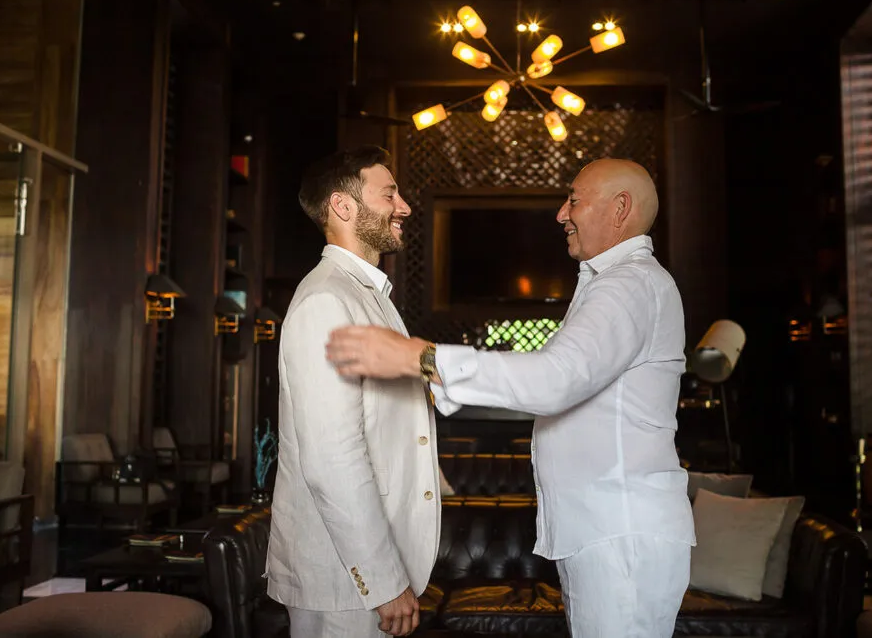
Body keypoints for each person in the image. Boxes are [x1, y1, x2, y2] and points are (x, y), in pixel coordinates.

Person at [325, 158, 694, 638]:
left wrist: (421, 357)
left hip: (619, 534)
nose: (562, 213)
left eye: (574, 200)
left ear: (620, 208)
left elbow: (554, 380)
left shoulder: (629, 285)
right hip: (609, 531)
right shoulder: (619, 285)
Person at [267, 145, 440, 638]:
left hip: (369, 574)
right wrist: (383, 581)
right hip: (344, 583)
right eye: (389, 194)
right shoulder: (326, 300)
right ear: (343, 207)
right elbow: (331, 458)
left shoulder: (368, 295)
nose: (403, 206)